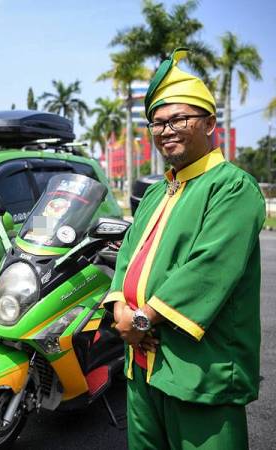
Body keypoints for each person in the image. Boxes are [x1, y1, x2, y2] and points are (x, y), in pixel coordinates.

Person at [103, 48, 265, 450]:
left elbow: (208, 268)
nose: (166, 130)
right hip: (143, 366)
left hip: (199, 369)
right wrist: (120, 309)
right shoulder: (159, 190)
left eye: (178, 118)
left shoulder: (232, 186)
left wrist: (140, 321)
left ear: (210, 123)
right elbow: (127, 253)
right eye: (157, 123)